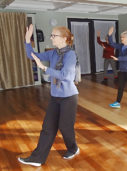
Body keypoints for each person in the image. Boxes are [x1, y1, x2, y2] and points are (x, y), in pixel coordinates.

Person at [18, 24, 80, 166]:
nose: (51, 37)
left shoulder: (70, 54)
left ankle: (73, 148)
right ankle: (37, 158)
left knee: (65, 127)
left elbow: (65, 76)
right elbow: (32, 55)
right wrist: (27, 41)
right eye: (51, 35)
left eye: (54, 35)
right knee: (48, 127)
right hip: (55, 96)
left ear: (64, 38)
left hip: (69, 97)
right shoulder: (53, 53)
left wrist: (45, 68)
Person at [108, 26, 127, 108]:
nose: (121, 39)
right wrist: (110, 35)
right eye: (121, 37)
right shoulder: (121, 46)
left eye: (123, 37)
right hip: (122, 69)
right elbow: (112, 44)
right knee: (120, 86)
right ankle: (117, 102)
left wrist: (118, 58)